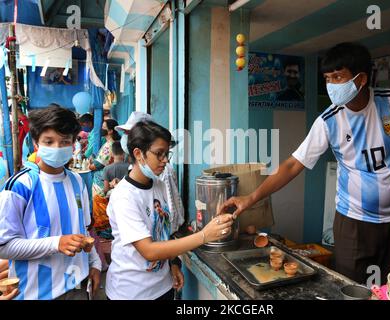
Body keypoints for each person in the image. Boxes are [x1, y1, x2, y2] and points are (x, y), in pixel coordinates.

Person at [221, 42, 390, 285]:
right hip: (354, 222)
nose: (332, 86)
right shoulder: (329, 120)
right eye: (328, 78)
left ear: (360, 79)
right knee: (351, 288)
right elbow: (292, 165)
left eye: (338, 77)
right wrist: (251, 198)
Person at [105, 120, 234, 300]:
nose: (165, 160)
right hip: (133, 293)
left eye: (167, 154)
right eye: (159, 154)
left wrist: (174, 263)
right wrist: (204, 235)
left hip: (162, 286)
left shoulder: (158, 183)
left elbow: (163, 232)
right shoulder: (124, 197)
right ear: (138, 154)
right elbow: (148, 250)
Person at [0, 105, 102, 300]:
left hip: (77, 286)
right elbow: (4, 246)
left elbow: (85, 230)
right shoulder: (20, 186)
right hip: (36, 293)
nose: (57, 147)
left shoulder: (77, 181)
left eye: (64, 141)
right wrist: (56, 243)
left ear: (73, 145)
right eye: (49, 141)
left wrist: (95, 264)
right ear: (36, 143)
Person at [89, 119, 120, 263]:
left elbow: (97, 164)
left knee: (101, 207)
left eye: (103, 127)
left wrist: (91, 163)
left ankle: (106, 234)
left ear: (111, 130)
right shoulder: (110, 144)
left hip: (102, 181)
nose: (101, 128)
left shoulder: (109, 145)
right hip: (107, 179)